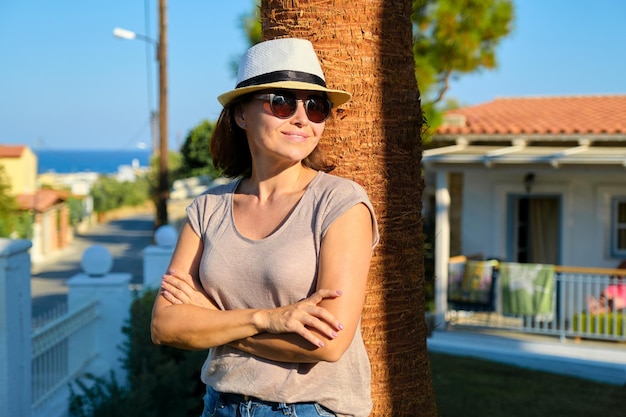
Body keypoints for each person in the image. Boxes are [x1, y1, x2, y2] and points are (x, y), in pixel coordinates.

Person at [151, 38, 379, 417]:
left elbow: (327, 344)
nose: (302, 118)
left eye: (316, 106)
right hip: (220, 406)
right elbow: (165, 324)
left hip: (310, 411)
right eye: (282, 102)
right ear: (241, 114)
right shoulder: (209, 208)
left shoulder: (340, 203)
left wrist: (213, 321)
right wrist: (266, 319)